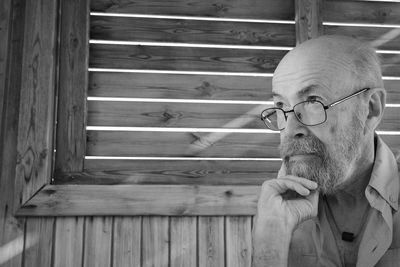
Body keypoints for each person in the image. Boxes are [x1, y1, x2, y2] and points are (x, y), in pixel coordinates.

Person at [252, 35, 399, 267]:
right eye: (281, 106)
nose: (291, 129)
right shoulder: (278, 209)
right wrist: (270, 243)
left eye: (313, 101)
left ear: (370, 110)